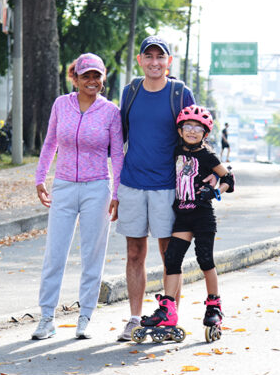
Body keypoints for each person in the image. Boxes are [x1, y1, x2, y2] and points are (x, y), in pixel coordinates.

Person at [31, 53, 124, 340]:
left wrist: (117, 192)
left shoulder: (111, 112)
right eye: (86, 76)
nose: (92, 81)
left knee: (92, 255)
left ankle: (85, 317)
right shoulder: (62, 104)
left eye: (97, 75)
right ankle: (47, 317)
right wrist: (40, 177)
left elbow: (118, 154)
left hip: (98, 187)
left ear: (103, 78)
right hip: (64, 186)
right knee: (54, 253)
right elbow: (50, 143)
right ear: (75, 78)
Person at [116, 35, 196, 341]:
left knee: (169, 255)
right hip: (132, 183)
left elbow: (195, 134)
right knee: (134, 252)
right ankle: (135, 318)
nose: (154, 62)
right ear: (140, 60)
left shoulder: (179, 92)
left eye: (160, 57)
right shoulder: (131, 91)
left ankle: (169, 315)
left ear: (168, 62)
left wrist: (204, 176)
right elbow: (119, 136)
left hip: (168, 186)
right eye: (148, 57)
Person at [139, 105, 235, 335]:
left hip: (202, 215)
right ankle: (167, 310)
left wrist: (215, 191)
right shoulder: (174, 151)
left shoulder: (207, 155)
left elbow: (229, 179)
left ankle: (214, 306)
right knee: (172, 259)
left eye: (197, 128)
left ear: (205, 133)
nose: (192, 131)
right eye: (187, 127)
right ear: (180, 130)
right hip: (182, 215)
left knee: (205, 260)